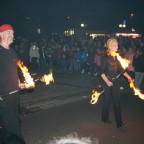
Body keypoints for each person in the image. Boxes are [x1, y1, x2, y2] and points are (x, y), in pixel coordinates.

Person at [0, 24, 26, 144]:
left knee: (9, 128)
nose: (12, 35)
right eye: (9, 32)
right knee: (13, 129)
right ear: (1, 34)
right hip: (3, 97)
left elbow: (13, 71)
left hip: (14, 97)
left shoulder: (13, 52)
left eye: (13, 33)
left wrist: (18, 82)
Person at [100, 38, 132, 129]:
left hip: (115, 82)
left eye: (117, 45)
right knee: (107, 101)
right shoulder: (105, 58)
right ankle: (104, 118)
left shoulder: (116, 58)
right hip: (107, 82)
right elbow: (101, 72)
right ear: (110, 46)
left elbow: (121, 71)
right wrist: (107, 81)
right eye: (115, 45)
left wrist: (129, 77)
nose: (117, 46)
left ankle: (119, 123)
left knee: (117, 102)